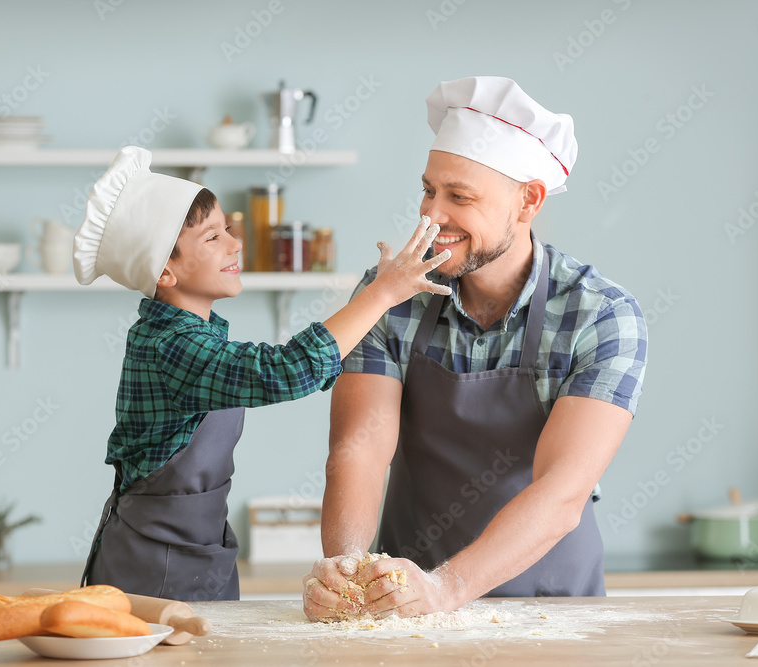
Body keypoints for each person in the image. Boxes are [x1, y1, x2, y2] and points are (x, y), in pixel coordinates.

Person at [303, 76, 648, 620]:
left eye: (459, 196)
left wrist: (446, 588)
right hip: (399, 598)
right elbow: (359, 448)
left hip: (550, 608)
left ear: (527, 200)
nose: (432, 215)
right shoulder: (392, 294)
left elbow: (562, 492)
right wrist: (347, 568)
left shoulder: (600, 315)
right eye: (428, 190)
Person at [72, 146, 451, 602]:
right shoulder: (171, 346)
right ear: (165, 271)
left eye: (227, 229)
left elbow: (290, 367)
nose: (235, 244)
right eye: (212, 238)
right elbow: (285, 370)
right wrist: (380, 295)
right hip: (154, 567)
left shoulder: (194, 336)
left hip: (198, 553)